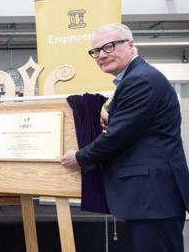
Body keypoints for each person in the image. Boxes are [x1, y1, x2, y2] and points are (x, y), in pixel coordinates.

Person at [61, 23, 189, 252]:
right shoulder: (134, 78)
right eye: (96, 51)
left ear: (130, 45)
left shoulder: (140, 80)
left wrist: (79, 157)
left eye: (109, 47)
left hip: (152, 197)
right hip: (149, 197)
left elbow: (118, 137)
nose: (101, 55)